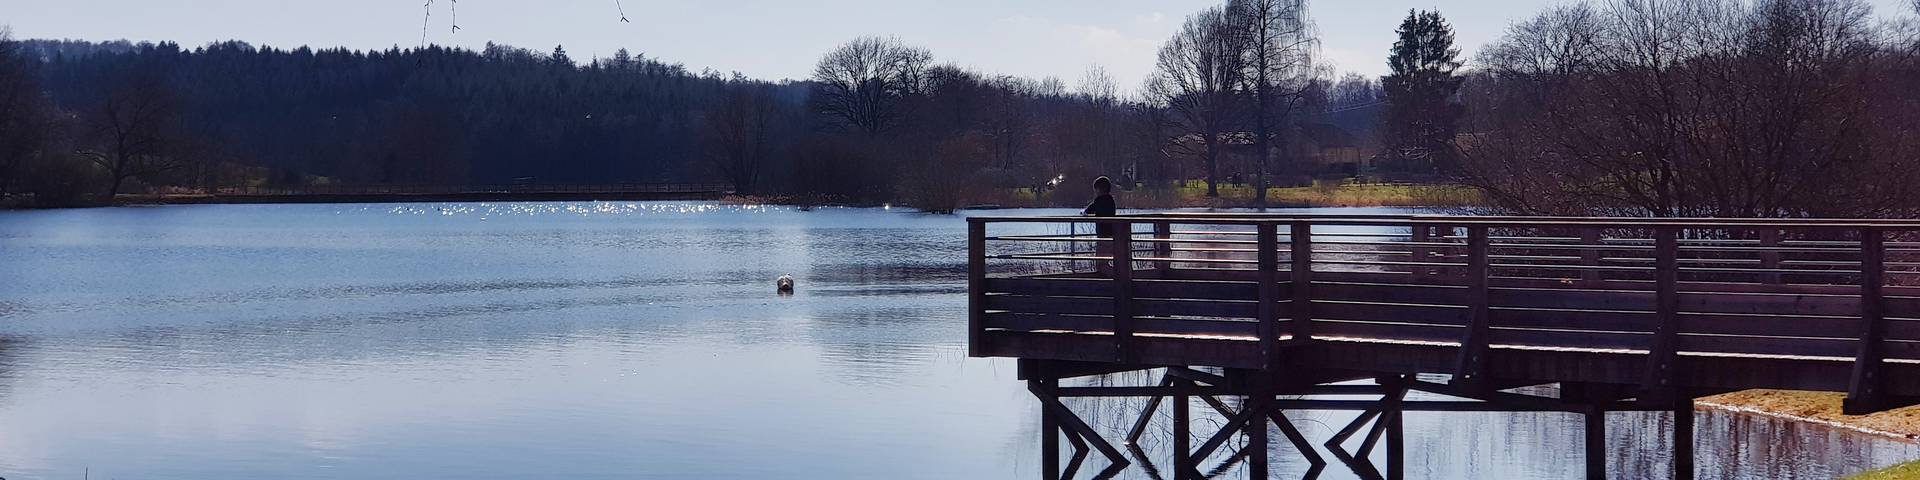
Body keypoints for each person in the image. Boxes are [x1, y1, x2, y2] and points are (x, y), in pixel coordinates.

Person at [1083, 176, 1117, 273]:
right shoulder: (1111, 200)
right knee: (1105, 261)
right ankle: (1117, 274)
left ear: (1099, 189)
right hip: (1111, 232)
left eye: (1096, 190)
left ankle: (1116, 276)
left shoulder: (1100, 200)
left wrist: (1085, 212)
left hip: (1103, 234)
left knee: (1101, 264)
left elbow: (1092, 208)